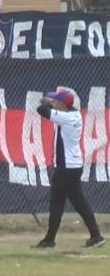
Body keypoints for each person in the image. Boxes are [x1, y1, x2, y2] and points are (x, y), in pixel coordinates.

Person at [33, 88, 104, 249]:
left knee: (57, 202)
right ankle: (96, 235)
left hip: (66, 167)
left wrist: (49, 102)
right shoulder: (74, 114)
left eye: (57, 100)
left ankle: (50, 239)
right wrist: (54, 101)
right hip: (73, 166)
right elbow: (51, 109)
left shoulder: (66, 117)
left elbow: (41, 109)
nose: (54, 102)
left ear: (62, 104)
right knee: (78, 201)